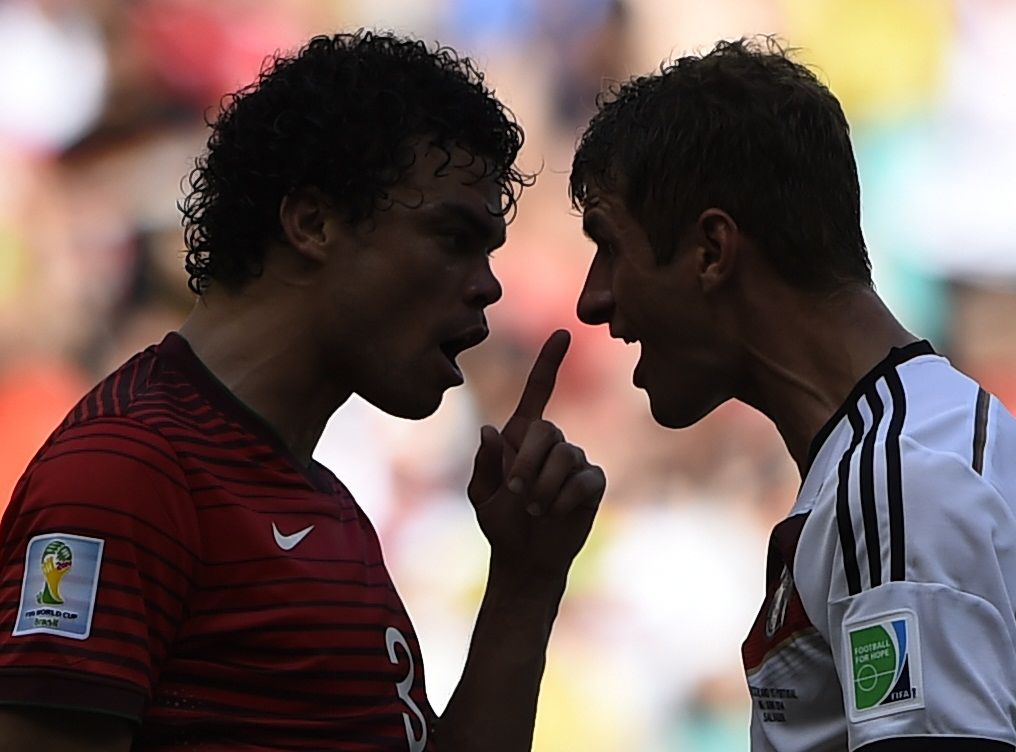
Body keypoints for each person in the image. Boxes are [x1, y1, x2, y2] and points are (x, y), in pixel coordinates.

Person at [0, 31, 605, 751]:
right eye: (452, 239)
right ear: (313, 223)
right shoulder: (123, 475)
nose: (489, 286)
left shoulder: (328, 508)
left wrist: (525, 583)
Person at [570, 36, 1016, 752]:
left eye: (609, 248)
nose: (592, 301)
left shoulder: (897, 483)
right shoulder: (911, 451)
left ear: (712, 251)